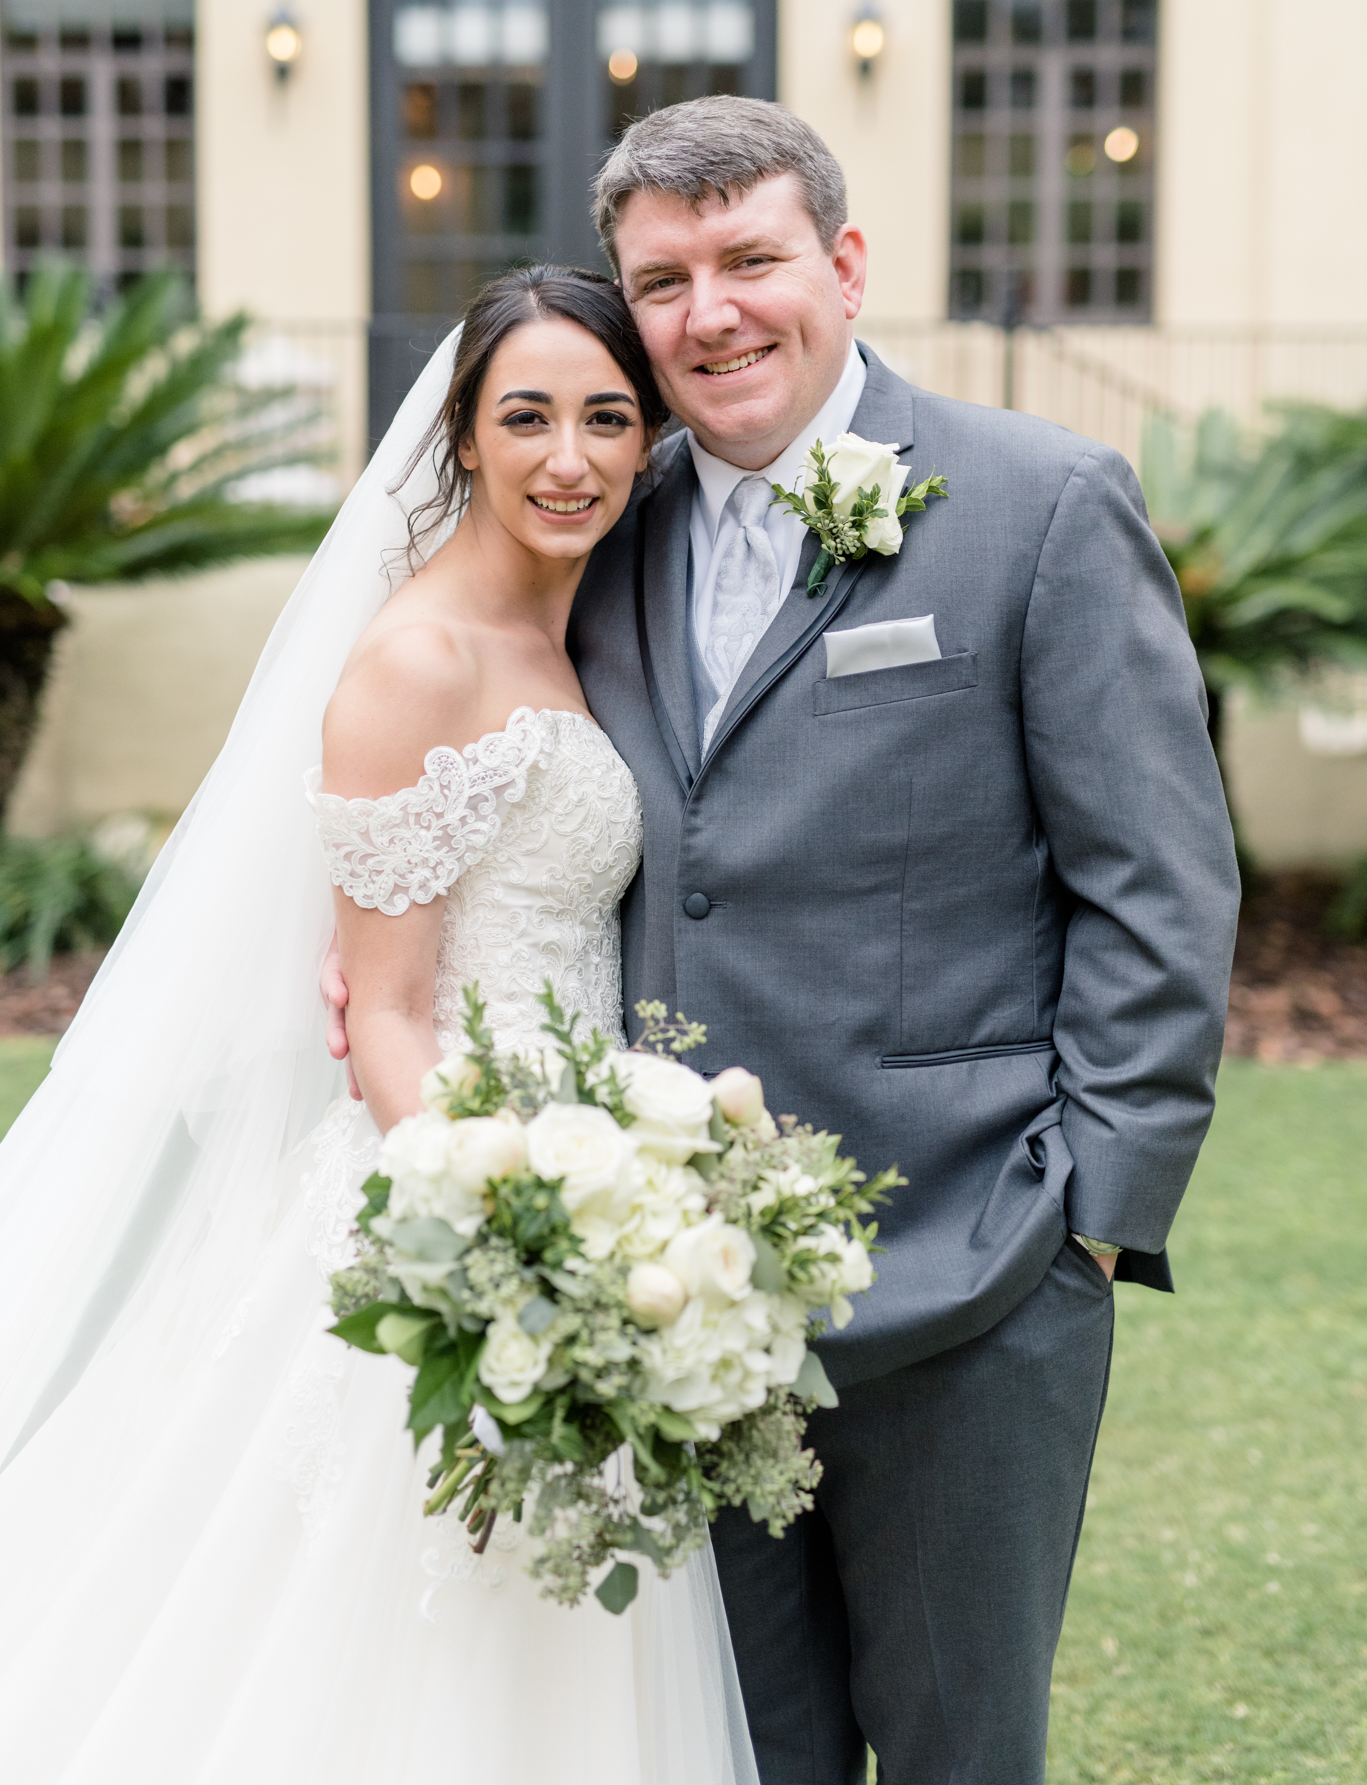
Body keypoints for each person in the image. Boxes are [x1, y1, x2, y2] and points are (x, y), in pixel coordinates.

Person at [329, 97, 1240, 1785]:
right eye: (663, 280)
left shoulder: (1039, 505)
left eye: (752, 259)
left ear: (845, 263)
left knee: (966, 1753)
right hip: (671, 1293)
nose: (711, 312)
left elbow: (1160, 885)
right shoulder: (600, 520)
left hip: (974, 1268)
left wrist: (1092, 1220)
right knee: (734, 1756)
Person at [0, 268, 759, 1785]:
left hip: (595, 1198)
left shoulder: (580, 626)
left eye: (610, 418)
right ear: (463, 440)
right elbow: (389, 1011)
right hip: (462, 1215)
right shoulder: (419, 659)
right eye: (527, 416)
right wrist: (514, 1236)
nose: (571, 456)